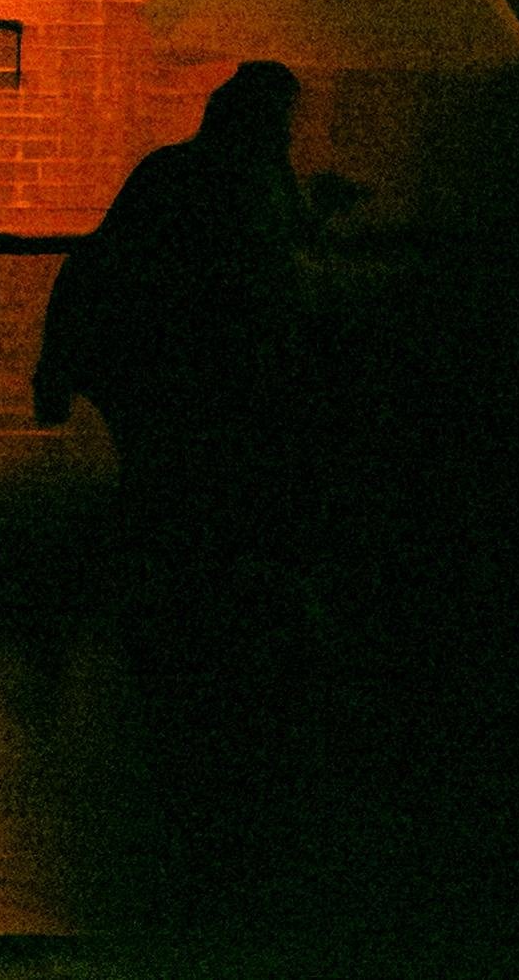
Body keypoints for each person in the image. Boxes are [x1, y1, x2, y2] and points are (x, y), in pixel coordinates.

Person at [35, 60, 329, 618]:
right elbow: (254, 267)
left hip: (154, 358)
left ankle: (158, 602)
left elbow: (97, 260)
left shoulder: (178, 170)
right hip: (183, 359)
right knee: (187, 481)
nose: (292, 129)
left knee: (164, 479)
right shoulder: (246, 183)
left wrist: (59, 363)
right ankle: (178, 604)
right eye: (286, 118)